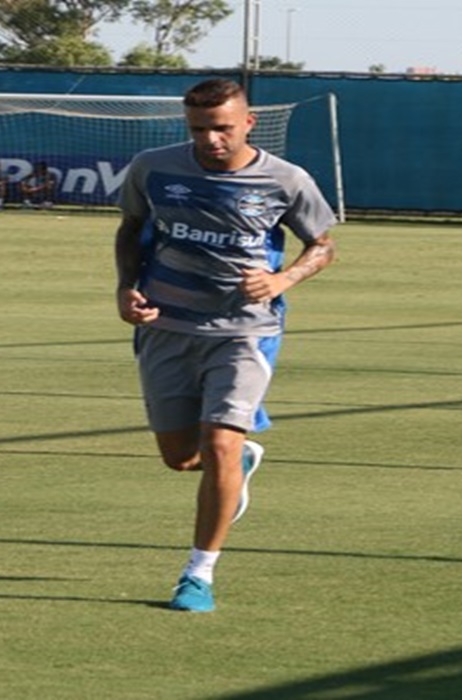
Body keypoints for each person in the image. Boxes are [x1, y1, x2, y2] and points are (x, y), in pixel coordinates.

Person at [114, 78, 337, 613]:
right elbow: (131, 228)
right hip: (167, 326)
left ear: (248, 122)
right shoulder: (154, 167)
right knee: (180, 458)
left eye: (222, 128)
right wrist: (126, 287)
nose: (210, 139)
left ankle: (197, 575)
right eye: (198, 129)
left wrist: (283, 280)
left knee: (220, 447)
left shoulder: (287, 180)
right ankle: (241, 462)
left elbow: (323, 246)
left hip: (245, 331)